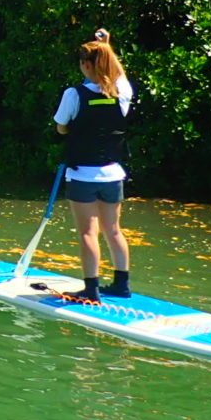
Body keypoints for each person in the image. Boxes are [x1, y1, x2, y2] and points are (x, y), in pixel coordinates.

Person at [54, 28, 136, 301]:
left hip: (83, 176)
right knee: (113, 229)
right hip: (113, 174)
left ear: (85, 65)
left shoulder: (73, 94)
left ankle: (91, 289)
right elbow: (120, 75)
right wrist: (106, 47)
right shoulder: (122, 92)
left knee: (88, 232)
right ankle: (122, 286)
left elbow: (61, 127)